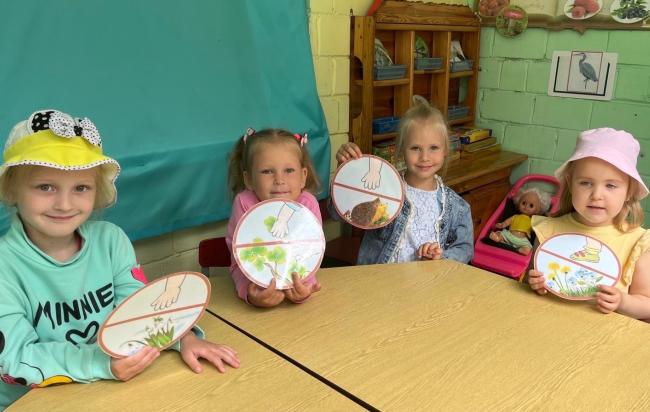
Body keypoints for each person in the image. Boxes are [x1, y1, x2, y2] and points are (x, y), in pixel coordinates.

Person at [0, 110, 239, 408]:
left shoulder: (110, 240)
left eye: (81, 188)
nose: (64, 204)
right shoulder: (5, 266)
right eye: (45, 187)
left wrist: (182, 337)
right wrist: (100, 363)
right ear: (12, 189)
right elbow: (13, 357)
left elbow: (139, 309)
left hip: (113, 387)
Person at [528, 128, 650, 319]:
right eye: (586, 183)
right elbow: (531, 286)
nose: (597, 195)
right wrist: (535, 285)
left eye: (610, 185)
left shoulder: (637, 243)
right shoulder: (548, 231)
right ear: (570, 183)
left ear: (629, 191)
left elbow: (646, 305)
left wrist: (622, 302)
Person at [334, 97, 474, 264]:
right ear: (401, 151)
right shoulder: (382, 190)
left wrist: (440, 257)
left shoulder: (457, 207)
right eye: (415, 148)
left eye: (434, 148)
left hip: (426, 279)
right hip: (381, 278)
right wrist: (345, 172)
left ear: (445, 150)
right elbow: (337, 213)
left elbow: (465, 249)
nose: (424, 157)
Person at [226, 128, 322, 307]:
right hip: (253, 291)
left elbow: (310, 251)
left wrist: (304, 288)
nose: (279, 180)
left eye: (289, 170)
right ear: (249, 179)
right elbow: (239, 260)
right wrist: (250, 294)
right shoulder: (244, 203)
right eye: (267, 171)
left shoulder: (308, 205)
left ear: (303, 176)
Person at [489, 187, 552, 255]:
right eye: (523, 203)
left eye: (531, 206)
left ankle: (521, 249)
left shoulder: (532, 221)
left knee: (528, 248)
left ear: (538, 210)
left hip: (522, 240)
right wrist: (502, 225)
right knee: (501, 233)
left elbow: (536, 229)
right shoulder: (515, 216)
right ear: (518, 202)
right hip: (509, 235)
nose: (526, 207)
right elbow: (507, 222)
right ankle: (498, 238)